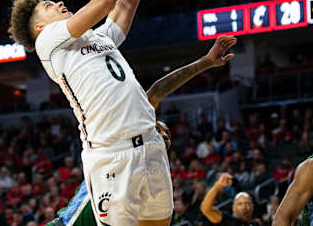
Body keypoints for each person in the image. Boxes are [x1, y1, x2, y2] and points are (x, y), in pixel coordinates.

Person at [10, 0, 229, 225]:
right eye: (48, 6)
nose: (58, 2)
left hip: (150, 144)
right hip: (111, 156)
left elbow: (128, 0)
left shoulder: (98, 37)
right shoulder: (49, 44)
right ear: (41, 26)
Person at [46, 35, 239, 226]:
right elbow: (157, 91)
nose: (165, 135)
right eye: (161, 130)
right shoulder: (129, 131)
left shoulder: (150, 174)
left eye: (167, 137)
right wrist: (205, 63)